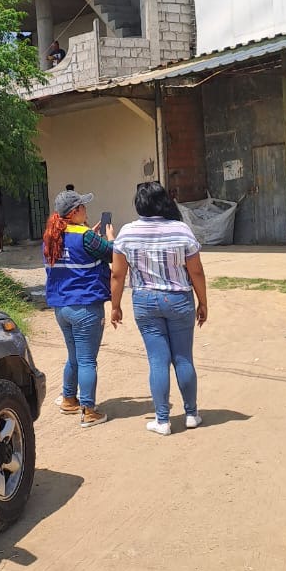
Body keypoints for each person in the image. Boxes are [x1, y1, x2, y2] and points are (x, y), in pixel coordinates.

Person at [111, 182, 208, 436]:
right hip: (179, 300)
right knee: (183, 358)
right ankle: (191, 414)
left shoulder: (127, 233)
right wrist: (203, 301)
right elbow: (196, 271)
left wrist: (115, 306)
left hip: (145, 301)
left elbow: (117, 275)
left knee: (158, 361)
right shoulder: (181, 230)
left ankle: (162, 420)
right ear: (164, 201)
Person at [43, 189, 114, 428]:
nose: (86, 210)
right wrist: (110, 239)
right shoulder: (85, 236)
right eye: (83, 207)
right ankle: (89, 410)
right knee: (87, 361)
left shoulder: (52, 235)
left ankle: (68, 399)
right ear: (74, 212)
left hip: (61, 308)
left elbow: (73, 253)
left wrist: (89, 235)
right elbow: (111, 254)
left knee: (74, 357)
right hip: (85, 307)